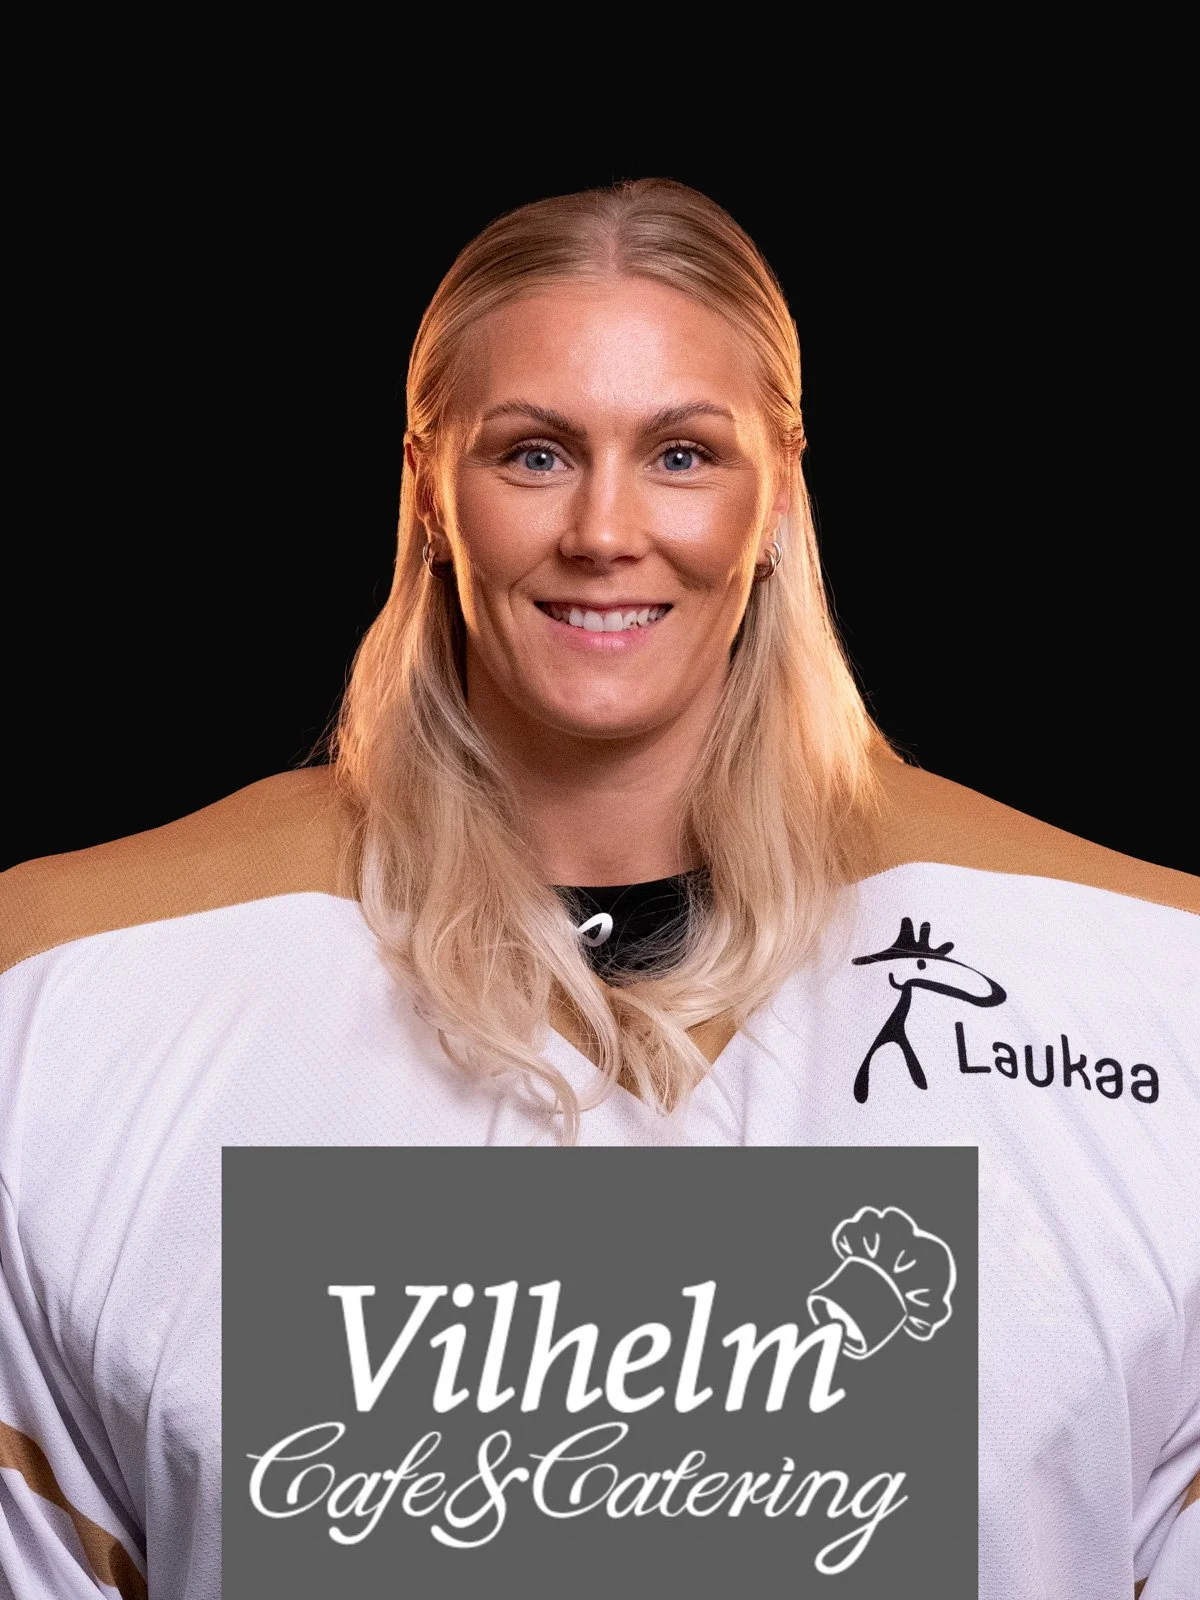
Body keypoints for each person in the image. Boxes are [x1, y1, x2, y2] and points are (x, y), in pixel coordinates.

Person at [0, 179, 1195, 1599]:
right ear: (428, 487)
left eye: (682, 453)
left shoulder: (1148, 981)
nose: (605, 530)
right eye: (535, 454)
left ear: (779, 487)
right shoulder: (64, 989)